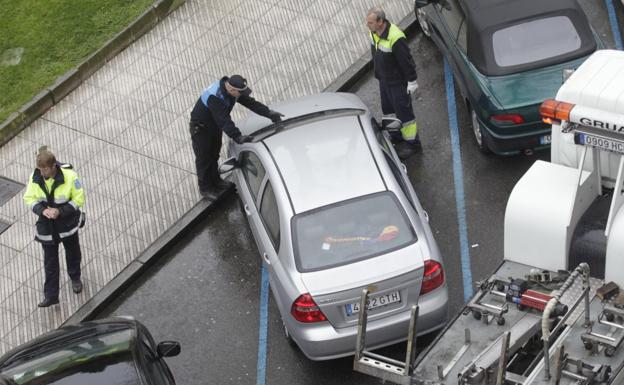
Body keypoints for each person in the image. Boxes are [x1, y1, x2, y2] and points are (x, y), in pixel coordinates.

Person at [189, 75, 284, 200]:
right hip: (202, 129)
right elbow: (224, 120)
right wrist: (237, 136)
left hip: (214, 125)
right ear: (231, 89)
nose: (241, 95)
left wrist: (269, 113)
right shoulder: (215, 97)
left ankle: (216, 181)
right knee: (204, 158)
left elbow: (251, 103)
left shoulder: (232, 90)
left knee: (214, 155)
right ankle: (206, 188)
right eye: (240, 92)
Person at [23, 147, 85, 308]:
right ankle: (51, 295)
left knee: (72, 252)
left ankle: (75, 277)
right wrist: (43, 210)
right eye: (40, 169)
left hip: (66, 223)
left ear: (53, 167)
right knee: (50, 262)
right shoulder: (35, 177)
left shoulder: (70, 176)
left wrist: (60, 211)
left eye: (45, 169)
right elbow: (29, 198)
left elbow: (78, 199)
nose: (42, 172)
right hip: (47, 225)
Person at [366, 6, 421, 158]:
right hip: (384, 81)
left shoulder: (395, 38)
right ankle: (396, 137)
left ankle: (413, 144)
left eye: (370, 22)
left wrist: (412, 81)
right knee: (388, 110)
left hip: (397, 83)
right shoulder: (374, 33)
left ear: (380, 21)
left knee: (405, 114)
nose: (368, 26)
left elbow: (406, 61)